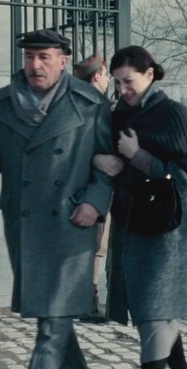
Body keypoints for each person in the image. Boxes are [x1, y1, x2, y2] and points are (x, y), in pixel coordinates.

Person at [0, 29, 112, 369]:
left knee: (52, 322)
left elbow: (107, 163)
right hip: (24, 223)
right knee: (51, 312)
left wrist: (94, 203)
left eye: (44, 57)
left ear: (62, 60)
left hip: (71, 222)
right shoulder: (0, 105)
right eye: (29, 57)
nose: (35, 65)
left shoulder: (89, 102)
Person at [96, 45, 187, 369]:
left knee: (153, 315)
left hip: (168, 231)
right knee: (154, 312)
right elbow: (103, 151)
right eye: (117, 83)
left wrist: (138, 156)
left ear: (150, 74)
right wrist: (103, 159)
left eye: (128, 81)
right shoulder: (120, 115)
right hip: (133, 226)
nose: (123, 89)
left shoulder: (173, 113)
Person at [74, 53, 111, 324]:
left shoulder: (72, 101)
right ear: (97, 76)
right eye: (106, 75)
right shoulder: (98, 105)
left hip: (76, 188)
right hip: (95, 188)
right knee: (97, 248)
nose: (109, 80)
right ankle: (88, 301)